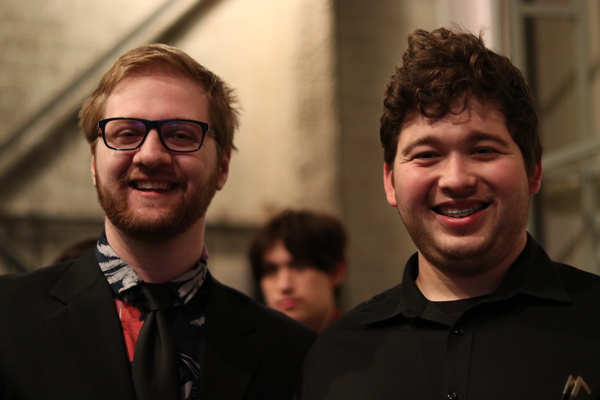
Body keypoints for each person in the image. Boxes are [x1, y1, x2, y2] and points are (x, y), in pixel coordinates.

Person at [0, 43, 316, 400]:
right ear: (93, 161)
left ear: (223, 166)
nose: (150, 155)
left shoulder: (294, 353)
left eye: (181, 134)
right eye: (126, 134)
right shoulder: (7, 320)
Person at [300, 27, 600, 400]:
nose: (456, 179)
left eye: (483, 150)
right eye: (426, 154)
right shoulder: (336, 358)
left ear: (533, 169)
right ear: (390, 181)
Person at [249, 210, 347, 333]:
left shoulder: (367, 348)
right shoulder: (245, 350)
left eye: (299, 267)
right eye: (271, 270)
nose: (284, 285)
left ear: (336, 272)